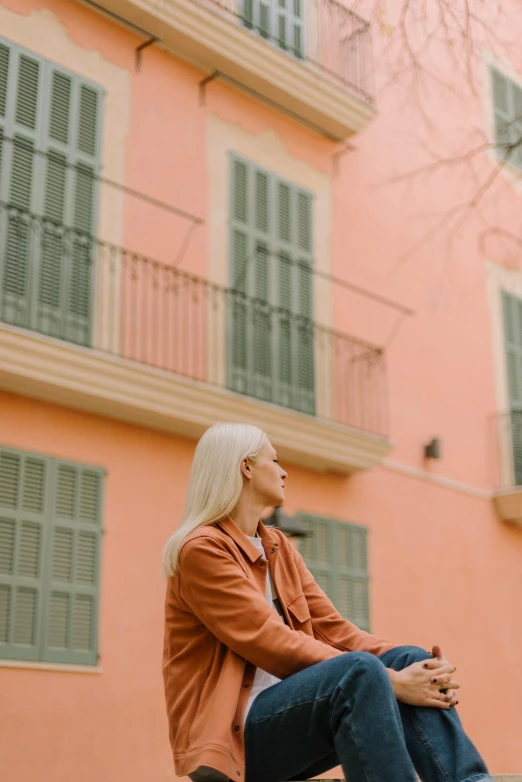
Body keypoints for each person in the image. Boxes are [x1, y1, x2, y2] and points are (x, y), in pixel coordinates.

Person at [162, 422, 492, 782]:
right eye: (274, 460)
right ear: (246, 468)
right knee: (361, 672)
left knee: (410, 657)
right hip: (237, 738)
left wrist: (417, 670)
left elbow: (335, 630)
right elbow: (270, 640)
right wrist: (392, 682)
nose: (284, 471)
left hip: (295, 717)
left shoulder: (278, 547)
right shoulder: (203, 550)